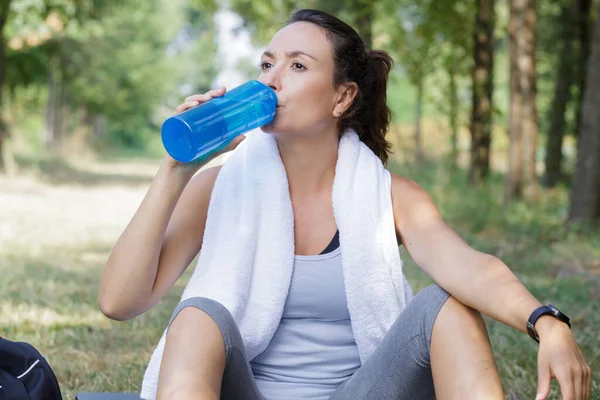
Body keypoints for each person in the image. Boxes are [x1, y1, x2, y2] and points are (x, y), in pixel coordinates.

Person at [98, 9, 591, 400]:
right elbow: (119, 302)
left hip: (363, 393)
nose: (272, 79)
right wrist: (175, 170)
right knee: (196, 317)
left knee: (450, 305)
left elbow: (469, 268)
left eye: (297, 65)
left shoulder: (389, 197)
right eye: (267, 63)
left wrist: (546, 321)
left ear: (342, 97)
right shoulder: (220, 189)